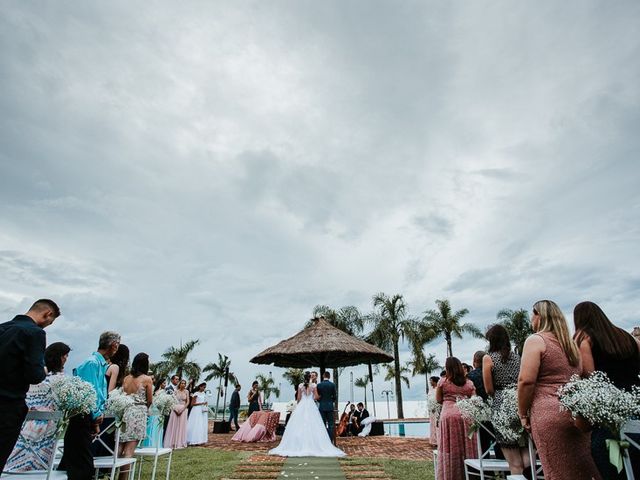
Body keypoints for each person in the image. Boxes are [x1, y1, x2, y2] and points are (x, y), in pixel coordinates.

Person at [517, 300, 601, 480]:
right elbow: (586, 375)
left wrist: (523, 414)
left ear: (539, 316)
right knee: (581, 469)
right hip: (576, 413)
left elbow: (526, 381)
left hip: (547, 413)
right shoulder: (572, 345)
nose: (531, 319)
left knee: (556, 470)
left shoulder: (536, 340)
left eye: (533, 314)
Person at [573, 301, 640, 480]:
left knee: (611, 464)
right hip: (635, 405)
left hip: (609, 412)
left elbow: (590, 376)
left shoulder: (584, 339)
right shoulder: (627, 337)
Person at [0, 299, 59, 473]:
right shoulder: (34, 333)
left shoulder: (2, 327)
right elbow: (34, 375)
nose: (48, 325)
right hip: (8, 406)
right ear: (47, 314)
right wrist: (44, 369)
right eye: (50, 321)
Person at [59, 331, 121, 480]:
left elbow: (99, 392)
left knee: (82, 463)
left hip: (90, 418)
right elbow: (89, 393)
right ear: (114, 345)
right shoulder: (92, 363)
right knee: (82, 465)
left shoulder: (101, 365)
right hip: (82, 418)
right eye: (117, 345)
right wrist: (95, 415)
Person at [5, 342, 70, 472]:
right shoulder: (62, 380)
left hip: (25, 427)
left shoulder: (35, 378)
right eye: (66, 356)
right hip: (48, 429)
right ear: (62, 357)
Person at [483, 325, 528, 475]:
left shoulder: (488, 358)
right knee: (525, 452)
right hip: (519, 402)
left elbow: (489, 389)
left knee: (514, 464)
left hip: (501, 404)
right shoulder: (517, 357)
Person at [268, 371, 345, 457]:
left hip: (302, 406)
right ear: (310, 377)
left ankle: (299, 444)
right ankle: (320, 444)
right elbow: (316, 397)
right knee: (316, 425)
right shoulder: (314, 386)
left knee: (300, 425)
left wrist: (299, 406)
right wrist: (319, 397)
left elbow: (298, 399)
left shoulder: (300, 386)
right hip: (311, 405)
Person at [436, 356, 477, 480]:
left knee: (449, 447)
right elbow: (474, 400)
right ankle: (469, 474)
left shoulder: (442, 382)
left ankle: (450, 475)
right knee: (467, 446)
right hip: (465, 415)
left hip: (448, 415)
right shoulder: (469, 383)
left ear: (447, 368)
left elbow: (438, 400)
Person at [118, 353, 152, 480]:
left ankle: (110, 474)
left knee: (120, 447)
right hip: (138, 413)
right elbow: (150, 400)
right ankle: (123, 478)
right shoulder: (147, 379)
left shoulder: (126, 378)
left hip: (125, 412)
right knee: (129, 450)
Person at [163, 379, 189, 449]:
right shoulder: (175, 391)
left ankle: (179, 442)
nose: (183, 385)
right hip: (175, 409)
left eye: (184, 383)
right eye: (182, 383)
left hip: (183, 410)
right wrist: (175, 409)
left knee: (181, 427)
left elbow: (188, 402)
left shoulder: (187, 392)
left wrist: (183, 409)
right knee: (173, 426)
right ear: (179, 384)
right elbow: (171, 401)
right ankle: (172, 442)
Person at [142, 378, 166, 447]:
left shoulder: (156, 391)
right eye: (164, 383)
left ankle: (155, 443)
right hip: (156, 410)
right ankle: (152, 444)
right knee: (154, 426)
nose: (165, 385)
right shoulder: (160, 392)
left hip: (156, 410)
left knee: (156, 426)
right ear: (161, 384)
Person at [316, 371, 337, 441]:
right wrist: (331, 401)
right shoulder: (332, 385)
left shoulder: (319, 385)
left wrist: (321, 401)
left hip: (322, 407)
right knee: (331, 424)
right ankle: (330, 440)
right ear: (329, 376)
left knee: (322, 424)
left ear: (323, 376)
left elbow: (317, 397)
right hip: (330, 407)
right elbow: (334, 397)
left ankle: (323, 440)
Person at [427, 376, 439, 445]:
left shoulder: (438, 389)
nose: (430, 382)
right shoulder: (430, 389)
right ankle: (433, 440)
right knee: (432, 425)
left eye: (431, 381)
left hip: (436, 409)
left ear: (434, 381)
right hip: (431, 409)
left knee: (436, 425)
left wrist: (435, 406)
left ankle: (437, 440)